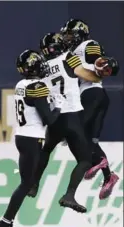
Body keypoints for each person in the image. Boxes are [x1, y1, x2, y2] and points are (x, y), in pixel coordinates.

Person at [0, 50, 65, 227]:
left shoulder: (21, 84)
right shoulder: (37, 86)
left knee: (27, 183)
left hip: (23, 136)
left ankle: (6, 223)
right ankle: (4, 223)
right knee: (26, 184)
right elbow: (49, 119)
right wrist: (57, 105)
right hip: (32, 138)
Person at [28, 33, 102, 211]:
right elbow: (87, 75)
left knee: (46, 150)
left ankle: (33, 184)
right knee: (84, 160)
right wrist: (99, 74)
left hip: (55, 117)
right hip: (72, 115)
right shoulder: (68, 57)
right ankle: (69, 195)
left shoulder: (42, 67)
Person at [60, 19, 119, 199]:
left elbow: (98, 61)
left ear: (79, 33)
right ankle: (109, 176)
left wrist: (102, 65)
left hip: (92, 95)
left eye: (70, 33)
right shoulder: (69, 52)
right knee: (90, 139)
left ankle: (96, 161)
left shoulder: (88, 44)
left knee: (77, 133)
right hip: (93, 97)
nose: (67, 37)